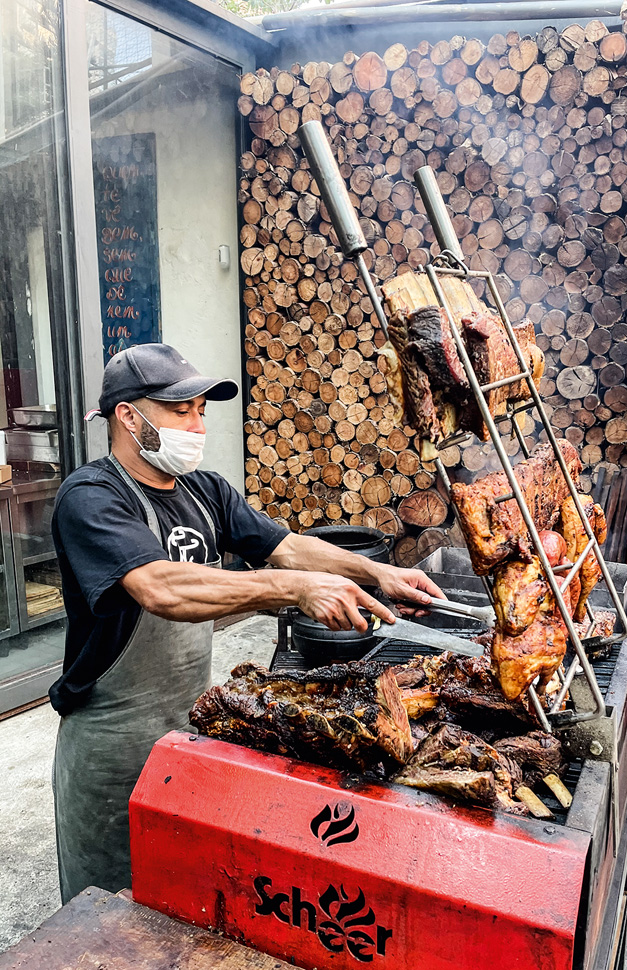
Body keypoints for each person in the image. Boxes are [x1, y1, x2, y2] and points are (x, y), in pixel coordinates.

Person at [51, 343, 444, 903]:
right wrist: (291, 591)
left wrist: (378, 572)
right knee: (107, 907)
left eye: (201, 410)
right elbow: (160, 587)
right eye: (180, 410)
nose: (197, 423)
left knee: (179, 892)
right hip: (112, 738)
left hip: (189, 722)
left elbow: (288, 547)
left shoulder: (204, 491)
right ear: (129, 416)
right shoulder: (91, 497)